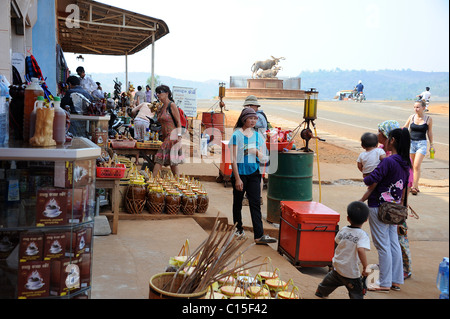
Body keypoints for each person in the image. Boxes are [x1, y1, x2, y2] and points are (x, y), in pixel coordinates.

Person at [361, 128, 411, 292]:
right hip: (395, 209)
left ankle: (384, 282)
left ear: (393, 141)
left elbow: (370, 179)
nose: (386, 142)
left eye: (388, 139)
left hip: (379, 206)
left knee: (383, 245)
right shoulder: (405, 163)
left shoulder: (388, 161)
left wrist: (365, 171)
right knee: (393, 243)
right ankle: (395, 280)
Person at [229, 107, 276, 245]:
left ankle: (258, 235)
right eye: (251, 118)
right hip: (240, 174)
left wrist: (255, 152)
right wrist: (237, 178)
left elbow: (263, 158)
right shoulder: (236, 135)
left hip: (254, 173)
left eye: (255, 118)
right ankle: (238, 229)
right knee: (237, 203)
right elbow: (232, 159)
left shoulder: (258, 136)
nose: (253, 121)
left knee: (255, 203)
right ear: (244, 119)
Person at [376, 120, 413, 280]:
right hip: (385, 202)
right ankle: (391, 268)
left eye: (380, 132)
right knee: (389, 238)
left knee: (398, 237)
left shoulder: (398, 158)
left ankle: (404, 268)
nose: (377, 134)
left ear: (389, 137)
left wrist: (402, 206)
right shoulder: (381, 151)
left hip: (394, 204)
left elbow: (406, 186)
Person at [315, 201, 370, 299]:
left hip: (338, 266)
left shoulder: (344, 230)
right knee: (356, 291)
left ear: (348, 218)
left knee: (330, 280)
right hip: (351, 272)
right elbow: (361, 250)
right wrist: (366, 267)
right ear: (366, 220)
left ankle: (321, 291)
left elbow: (337, 240)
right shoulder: (362, 235)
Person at [242, 95, 269, 205]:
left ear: (254, 106)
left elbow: (247, 124)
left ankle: (257, 197)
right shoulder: (258, 116)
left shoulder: (258, 117)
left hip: (258, 148)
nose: (247, 108)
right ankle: (253, 197)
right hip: (254, 147)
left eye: (249, 106)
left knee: (258, 174)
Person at [403, 100, 434, 195]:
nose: (415, 109)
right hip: (411, 143)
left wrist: (432, 145)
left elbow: (429, 132)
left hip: (422, 144)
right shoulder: (411, 117)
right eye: (414, 107)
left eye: (418, 107)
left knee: (416, 165)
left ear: (423, 108)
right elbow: (404, 128)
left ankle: (415, 186)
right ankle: (410, 184)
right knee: (410, 165)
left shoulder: (428, 119)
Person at [152, 85, 184, 176]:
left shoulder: (171, 105)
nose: (158, 95)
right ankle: (177, 183)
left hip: (172, 136)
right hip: (166, 137)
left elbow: (178, 122)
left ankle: (152, 180)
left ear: (167, 93)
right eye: (157, 93)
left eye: (160, 92)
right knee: (172, 163)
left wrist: (179, 136)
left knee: (159, 158)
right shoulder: (161, 107)